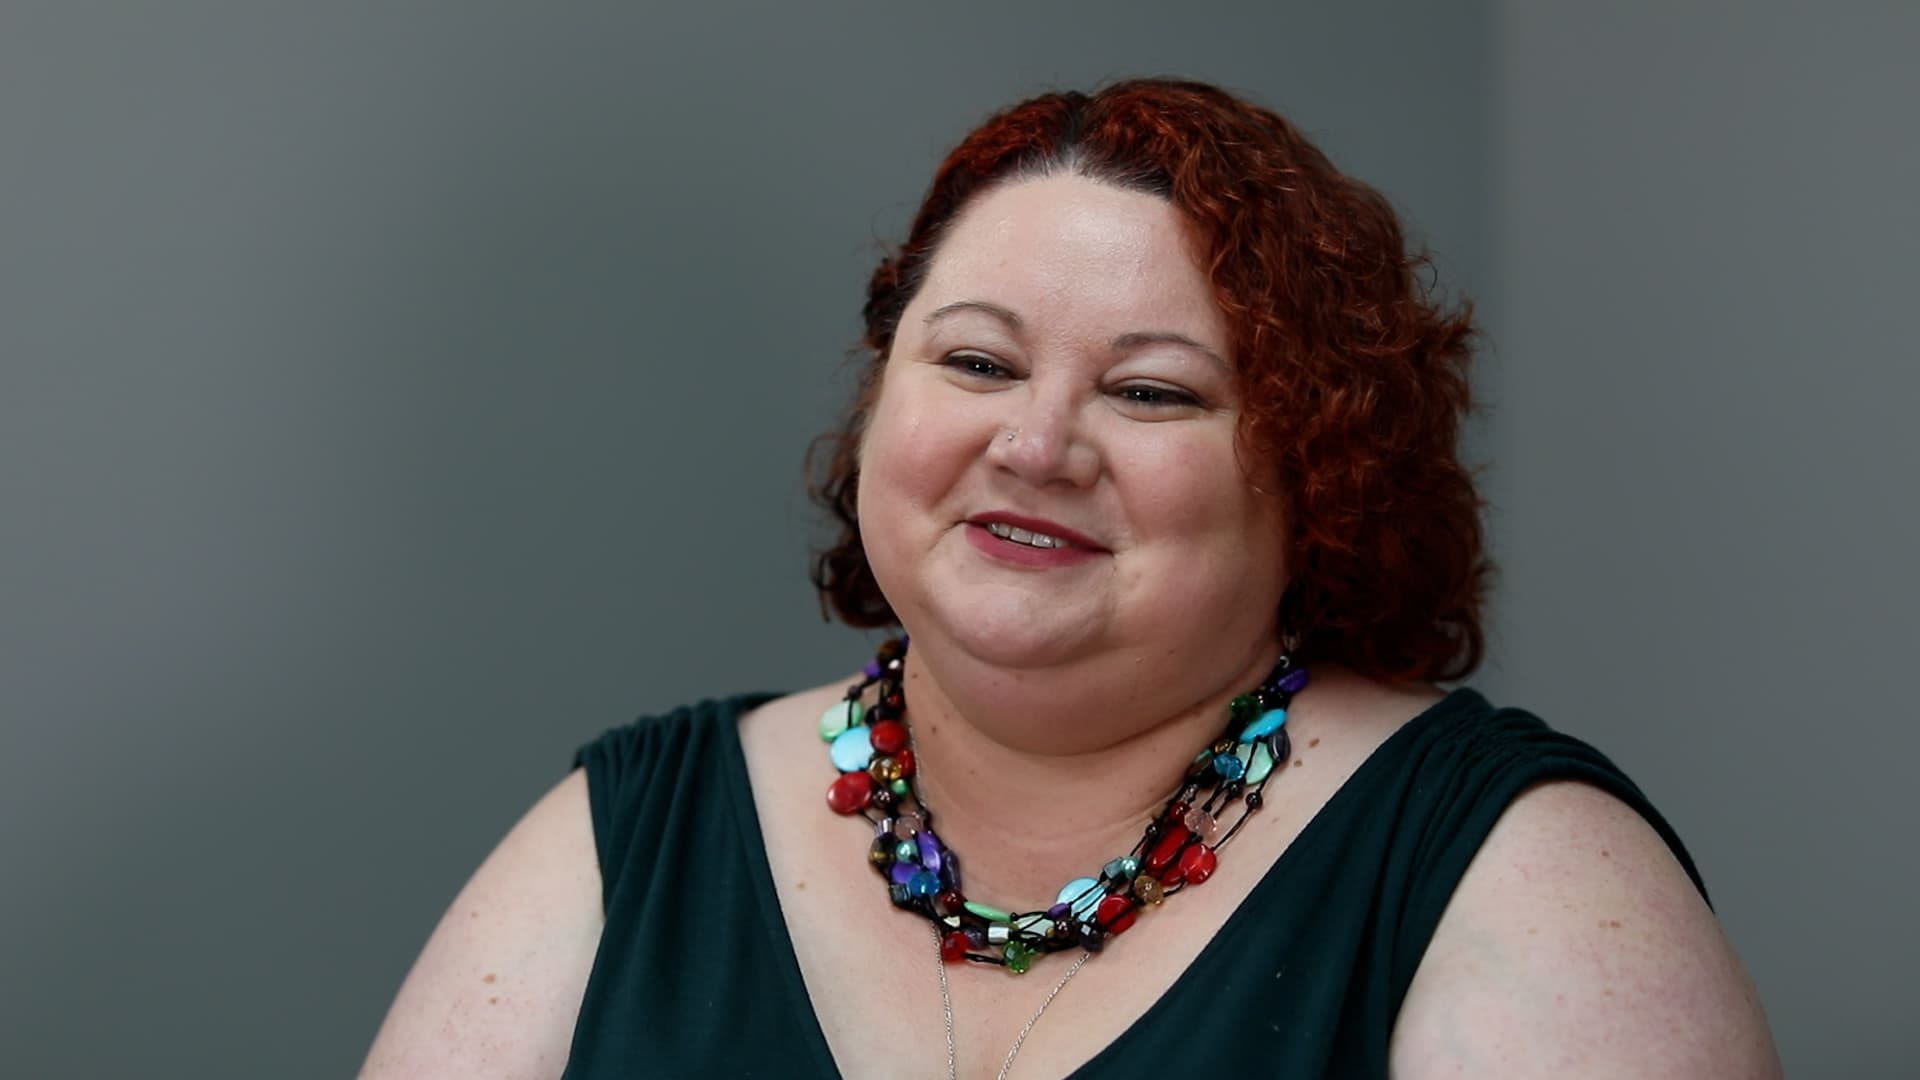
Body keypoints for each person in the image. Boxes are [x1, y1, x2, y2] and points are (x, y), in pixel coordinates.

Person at [362, 78, 1780, 1078]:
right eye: (978, 362)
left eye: (1152, 392)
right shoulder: (626, 839)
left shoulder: (1516, 873)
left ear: (1321, 474)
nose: (1035, 445)